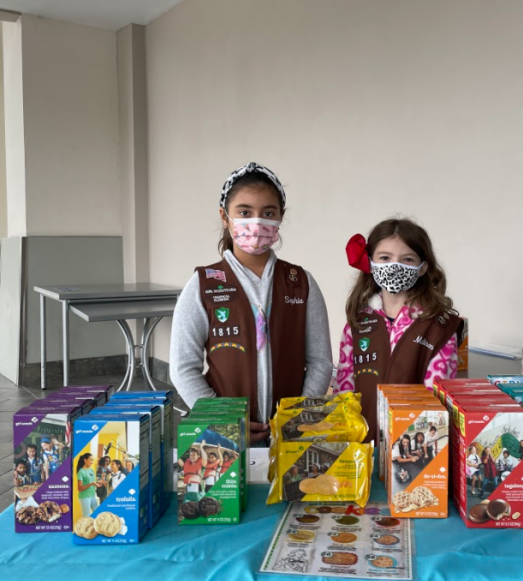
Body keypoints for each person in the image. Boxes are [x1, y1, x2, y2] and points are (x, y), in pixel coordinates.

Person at [170, 163, 333, 446]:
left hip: (288, 433)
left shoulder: (300, 282)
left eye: (268, 213)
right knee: (227, 491)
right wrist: (223, 420)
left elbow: (320, 361)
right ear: (225, 216)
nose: (257, 224)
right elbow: (183, 368)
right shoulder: (203, 284)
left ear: (281, 217)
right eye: (244, 212)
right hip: (224, 434)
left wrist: (295, 417)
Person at [336, 219, 462, 440]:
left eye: (407, 259)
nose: (395, 266)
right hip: (363, 450)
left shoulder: (439, 327)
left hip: (415, 449)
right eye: (385, 258)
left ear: (422, 268)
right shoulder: (356, 326)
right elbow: (344, 393)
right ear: (370, 263)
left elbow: (438, 403)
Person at [76, 453, 100, 518]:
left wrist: (98, 483)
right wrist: (91, 484)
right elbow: (79, 488)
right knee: (86, 516)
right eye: (90, 460)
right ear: (85, 460)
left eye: (93, 460)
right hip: (85, 496)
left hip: (92, 495)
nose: (92, 462)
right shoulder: (81, 472)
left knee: (97, 513)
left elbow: (92, 482)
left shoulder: (91, 470)